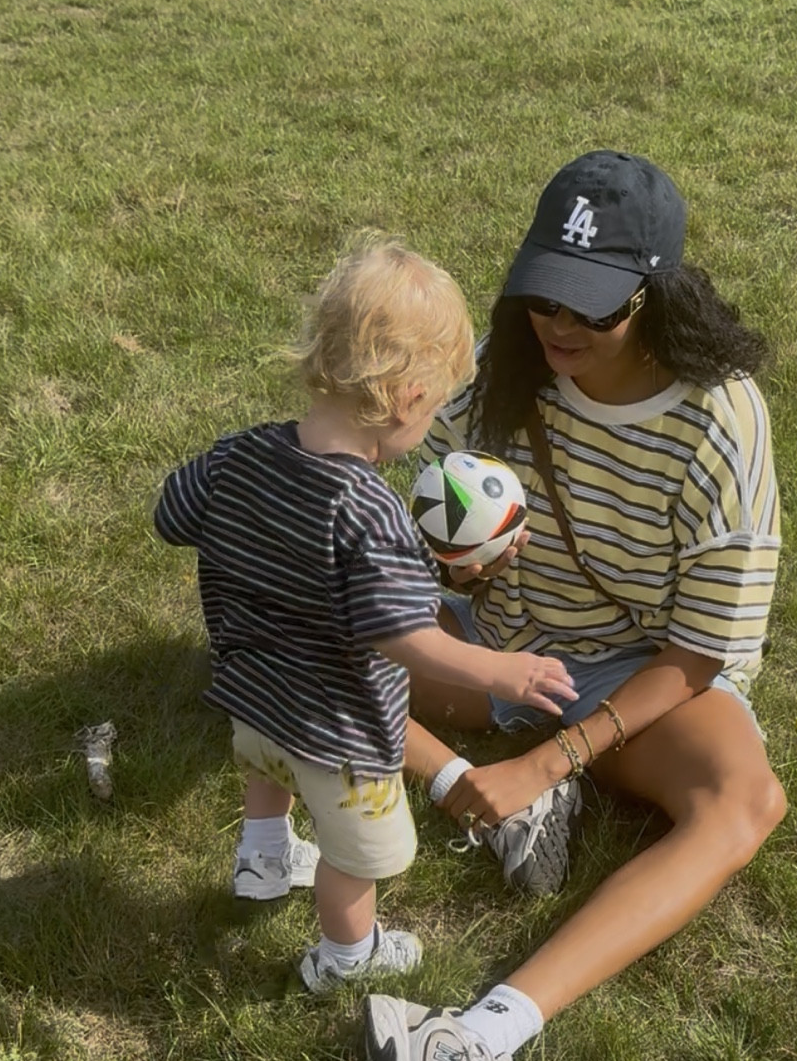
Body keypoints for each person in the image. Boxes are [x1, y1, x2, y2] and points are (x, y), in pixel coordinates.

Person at [366, 151, 787, 1061]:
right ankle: (473, 787)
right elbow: (394, 490)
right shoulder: (502, 369)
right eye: (542, 292)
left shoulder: (719, 420)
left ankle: (471, 1041)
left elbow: (698, 651)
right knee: (302, 621)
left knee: (745, 799)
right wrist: (440, 555)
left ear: (659, 295)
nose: (557, 324)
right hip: (485, 636)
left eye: (592, 309)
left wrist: (552, 758)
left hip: (632, 671)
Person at [153, 238, 575, 993]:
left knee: (266, 774)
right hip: (340, 736)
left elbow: (170, 515)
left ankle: (264, 856)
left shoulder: (238, 455)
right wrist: (501, 669)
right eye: (438, 401)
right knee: (359, 858)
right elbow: (404, 637)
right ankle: (345, 958)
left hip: (251, 702)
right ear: (408, 397)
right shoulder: (368, 507)